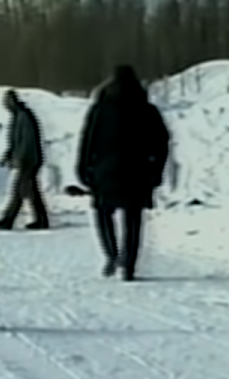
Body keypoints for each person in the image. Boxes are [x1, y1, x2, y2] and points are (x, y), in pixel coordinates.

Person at [75, 65, 170, 281]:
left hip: (105, 171)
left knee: (103, 213)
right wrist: (156, 170)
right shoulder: (147, 109)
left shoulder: (100, 109)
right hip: (137, 172)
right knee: (133, 219)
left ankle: (111, 253)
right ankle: (129, 266)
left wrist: (82, 167)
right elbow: (161, 142)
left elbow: (87, 140)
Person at [0, 89, 50, 230]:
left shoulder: (24, 117)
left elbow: (28, 141)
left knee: (19, 190)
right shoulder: (18, 117)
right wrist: (8, 155)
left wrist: (22, 159)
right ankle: (41, 220)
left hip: (29, 160)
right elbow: (15, 142)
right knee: (29, 191)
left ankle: (8, 219)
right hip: (27, 159)